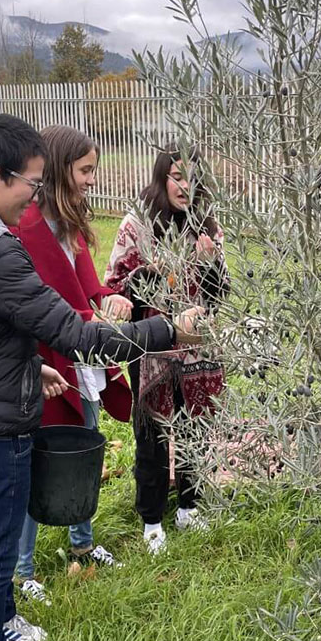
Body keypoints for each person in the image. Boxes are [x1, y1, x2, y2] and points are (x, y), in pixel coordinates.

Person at [0, 114, 203, 641]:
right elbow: (79, 337)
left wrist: (26, 364)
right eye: (31, 182)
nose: (35, 195)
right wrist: (169, 330)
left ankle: (3, 620)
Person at [14, 125, 133, 597]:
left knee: (84, 452)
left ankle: (82, 546)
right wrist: (89, 313)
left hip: (82, 361)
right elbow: (31, 304)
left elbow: (89, 290)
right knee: (36, 462)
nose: (90, 180)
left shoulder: (73, 226)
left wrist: (113, 300)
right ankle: (23, 571)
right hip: (44, 366)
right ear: (60, 169)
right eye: (84, 171)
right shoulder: (23, 229)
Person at [104, 146, 230, 555]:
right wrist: (151, 271)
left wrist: (209, 266)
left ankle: (189, 507)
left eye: (193, 178)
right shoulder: (137, 225)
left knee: (196, 428)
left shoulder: (207, 227)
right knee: (153, 434)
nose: (185, 186)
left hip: (197, 349)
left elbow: (220, 293)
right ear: (161, 178)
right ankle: (152, 520)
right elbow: (115, 286)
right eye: (177, 176)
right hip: (153, 348)